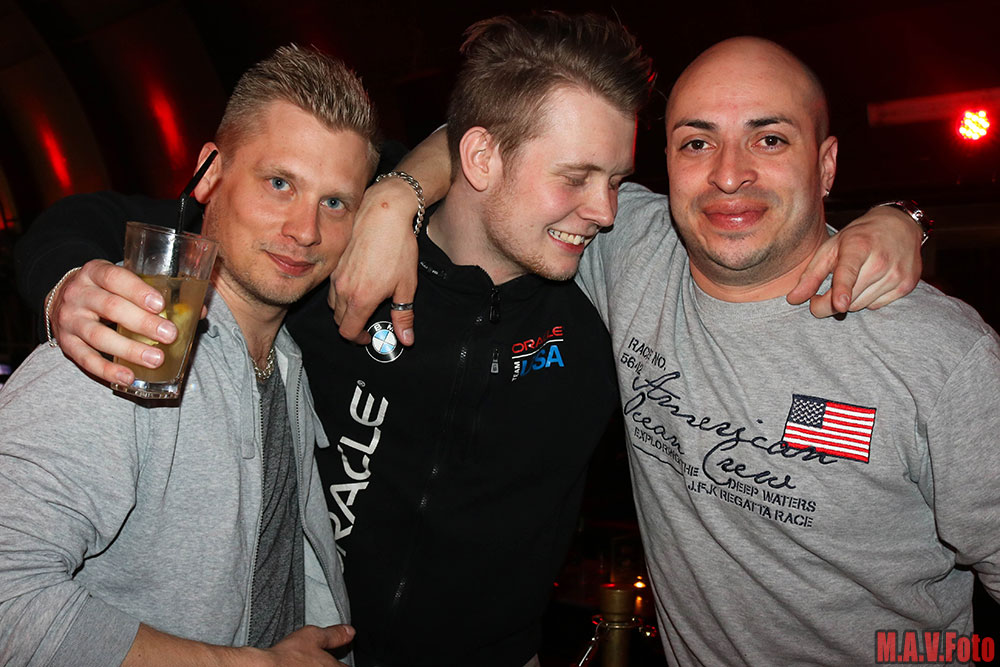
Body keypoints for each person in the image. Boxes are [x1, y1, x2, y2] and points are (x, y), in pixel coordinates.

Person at [14, 15, 924, 667]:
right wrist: (67, 285)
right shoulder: (318, 254)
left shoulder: (607, 286)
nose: (607, 210)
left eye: (616, 178)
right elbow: (113, 216)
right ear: (481, 160)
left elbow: (747, 236)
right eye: (578, 176)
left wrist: (896, 218)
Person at [570, 37, 998, 663]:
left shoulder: (941, 355)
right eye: (696, 142)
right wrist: (412, 193)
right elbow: (498, 134)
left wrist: (909, 214)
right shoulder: (624, 242)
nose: (728, 174)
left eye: (769, 139)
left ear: (825, 166)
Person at [0, 45, 378, 666]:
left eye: (334, 202)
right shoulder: (128, 340)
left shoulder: (290, 358)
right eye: (279, 183)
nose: (306, 231)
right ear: (210, 175)